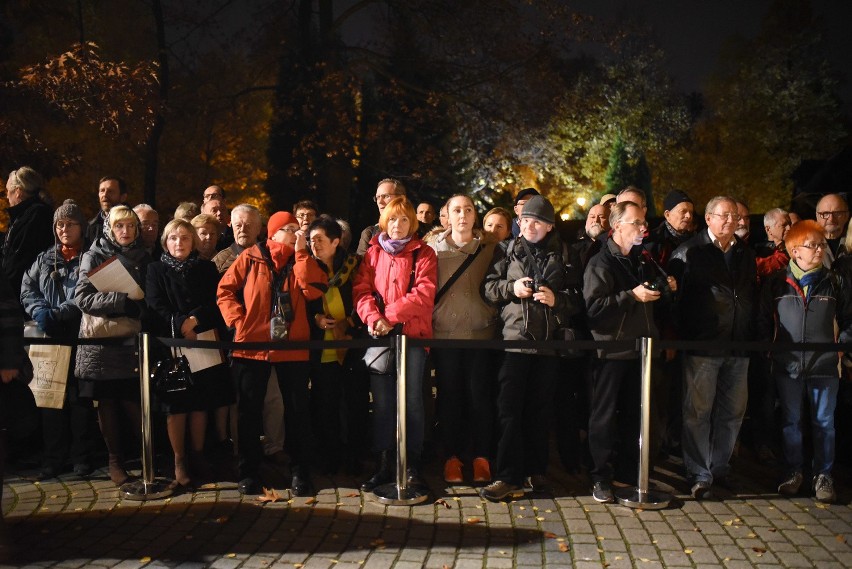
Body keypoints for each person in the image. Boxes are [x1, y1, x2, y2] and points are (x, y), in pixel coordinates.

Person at [218, 211, 328, 496]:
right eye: (288, 229)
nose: (294, 233)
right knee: (249, 413)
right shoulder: (250, 257)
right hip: (251, 347)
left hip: (292, 348)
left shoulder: (302, 259)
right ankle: (249, 472)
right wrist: (238, 321)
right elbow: (225, 291)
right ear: (273, 233)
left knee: (297, 412)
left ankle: (300, 472)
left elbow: (314, 290)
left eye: (296, 228)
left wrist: (302, 254)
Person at [480, 195, 581, 501]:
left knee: (539, 412)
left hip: (548, 345)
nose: (530, 226)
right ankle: (508, 475)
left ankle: (536, 473)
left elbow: (578, 295)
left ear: (550, 226)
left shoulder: (565, 253)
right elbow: (488, 288)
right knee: (508, 411)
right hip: (514, 344)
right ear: (519, 223)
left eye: (538, 221)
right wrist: (512, 289)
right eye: (526, 220)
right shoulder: (505, 250)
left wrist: (557, 300)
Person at [583, 202, 677, 502]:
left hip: (641, 350)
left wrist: (665, 288)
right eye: (636, 223)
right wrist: (630, 295)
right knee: (604, 418)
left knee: (635, 417)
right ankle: (600, 477)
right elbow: (594, 309)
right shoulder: (601, 263)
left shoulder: (642, 259)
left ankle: (626, 473)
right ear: (617, 226)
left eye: (643, 222)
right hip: (611, 351)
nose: (642, 228)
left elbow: (652, 304)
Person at [669, 196, 756, 500]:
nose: (731, 221)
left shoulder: (744, 253)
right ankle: (698, 472)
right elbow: (674, 301)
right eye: (724, 216)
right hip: (703, 344)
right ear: (708, 219)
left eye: (735, 216)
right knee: (698, 411)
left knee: (733, 411)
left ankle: (720, 467)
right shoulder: (690, 252)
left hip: (738, 343)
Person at [758, 221, 852, 504]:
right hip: (787, 365)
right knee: (792, 421)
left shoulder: (835, 282)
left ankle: (823, 475)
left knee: (824, 423)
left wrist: (841, 347)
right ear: (795, 250)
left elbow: (849, 320)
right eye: (813, 245)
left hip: (824, 366)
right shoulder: (776, 283)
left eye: (822, 245)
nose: (820, 250)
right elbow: (763, 321)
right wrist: (768, 350)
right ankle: (793, 472)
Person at [353, 197, 437, 492]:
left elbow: (424, 293)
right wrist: (374, 318)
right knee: (384, 402)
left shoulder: (424, 253)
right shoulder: (373, 253)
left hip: (413, 337)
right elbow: (361, 290)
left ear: (412, 222)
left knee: (412, 401)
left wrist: (387, 316)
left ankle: (412, 464)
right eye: (392, 220)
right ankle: (385, 463)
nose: (398, 226)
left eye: (403, 220)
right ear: (384, 222)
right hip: (379, 337)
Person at [146, 218, 235, 489]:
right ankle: (179, 459)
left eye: (185, 238)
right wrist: (179, 323)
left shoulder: (206, 268)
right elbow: (154, 303)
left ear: (193, 241)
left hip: (202, 340)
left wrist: (194, 321)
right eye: (173, 237)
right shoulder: (155, 269)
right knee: (176, 404)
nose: (179, 243)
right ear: (165, 241)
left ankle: (198, 454)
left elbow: (214, 302)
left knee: (200, 401)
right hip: (170, 344)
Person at [75, 205, 151, 486]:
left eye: (131, 226)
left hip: (131, 340)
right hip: (101, 344)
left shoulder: (144, 256)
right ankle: (114, 461)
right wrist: (121, 302)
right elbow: (82, 298)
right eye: (120, 226)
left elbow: (150, 298)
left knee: (133, 401)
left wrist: (139, 308)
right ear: (110, 228)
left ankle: (146, 459)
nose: (126, 231)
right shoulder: (93, 255)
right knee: (106, 402)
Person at [19, 200, 95, 480]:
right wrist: (39, 311)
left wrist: (61, 313)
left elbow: (87, 291)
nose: (64, 229)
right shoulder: (43, 258)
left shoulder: (90, 256)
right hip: (50, 338)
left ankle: (82, 458)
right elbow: (28, 287)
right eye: (60, 224)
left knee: (79, 401)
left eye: (70, 224)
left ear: (81, 227)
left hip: (78, 337)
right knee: (50, 400)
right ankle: (53, 458)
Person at [428, 195, 498, 485]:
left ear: (474, 215)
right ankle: (452, 458)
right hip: (446, 335)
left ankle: (481, 457)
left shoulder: (490, 249)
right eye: (456, 210)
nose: (462, 215)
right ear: (447, 215)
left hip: (481, 333)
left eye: (468, 210)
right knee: (449, 399)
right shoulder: (432, 250)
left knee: (481, 398)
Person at [306, 215, 365, 474]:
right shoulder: (306, 268)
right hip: (322, 348)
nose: (314, 245)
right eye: (310, 240)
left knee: (354, 404)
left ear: (336, 241)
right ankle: (328, 457)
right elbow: (299, 304)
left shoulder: (355, 265)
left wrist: (350, 323)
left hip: (353, 344)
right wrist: (315, 317)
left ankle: (355, 457)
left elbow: (368, 298)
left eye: (320, 240)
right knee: (325, 404)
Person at [2, 167, 54, 296]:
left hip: (25, 294)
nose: (7, 195)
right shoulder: (25, 215)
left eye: (8, 191)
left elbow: (19, 261)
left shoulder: (35, 216)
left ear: (18, 192)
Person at [356, 178, 407, 255]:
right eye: (377, 197)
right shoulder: (369, 233)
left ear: (402, 198)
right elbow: (360, 265)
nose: (380, 202)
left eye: (386, 196)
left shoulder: (419, 231)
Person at [646, 190, 694, 268]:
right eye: (683, 211)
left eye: (691, 212)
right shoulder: (654, 242)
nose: (688, 216)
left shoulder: (696, 238)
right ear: (667, 215)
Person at [212, 204, 263, 274]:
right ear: (232, 228)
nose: (242, 230)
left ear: (258, 228)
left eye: (248, 225)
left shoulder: (270, 256)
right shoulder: (220, 260)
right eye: (238, 226)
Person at [86, 176, 128, 244]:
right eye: (102, 190)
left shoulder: (134, 224)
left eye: (110, 191)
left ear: (123, 197)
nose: (105, 194)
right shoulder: (92, 227)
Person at [570, 203, 610, 272]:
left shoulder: (615, 249)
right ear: (586, 223)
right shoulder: (574, 249)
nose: (596, 220)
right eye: (592, 217)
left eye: (602, 217)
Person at [755, 208, 792, 279]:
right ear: (768, 229)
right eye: (784, 225)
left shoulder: (797, 245)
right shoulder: (759, 251)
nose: (789, 228)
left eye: (790, 224)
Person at [814, 193, 849, 266]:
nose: (831, 219)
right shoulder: (806, 245)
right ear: (817, 216)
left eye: (837, 213)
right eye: (825, 214)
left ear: (846, 216)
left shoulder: (850, 242)